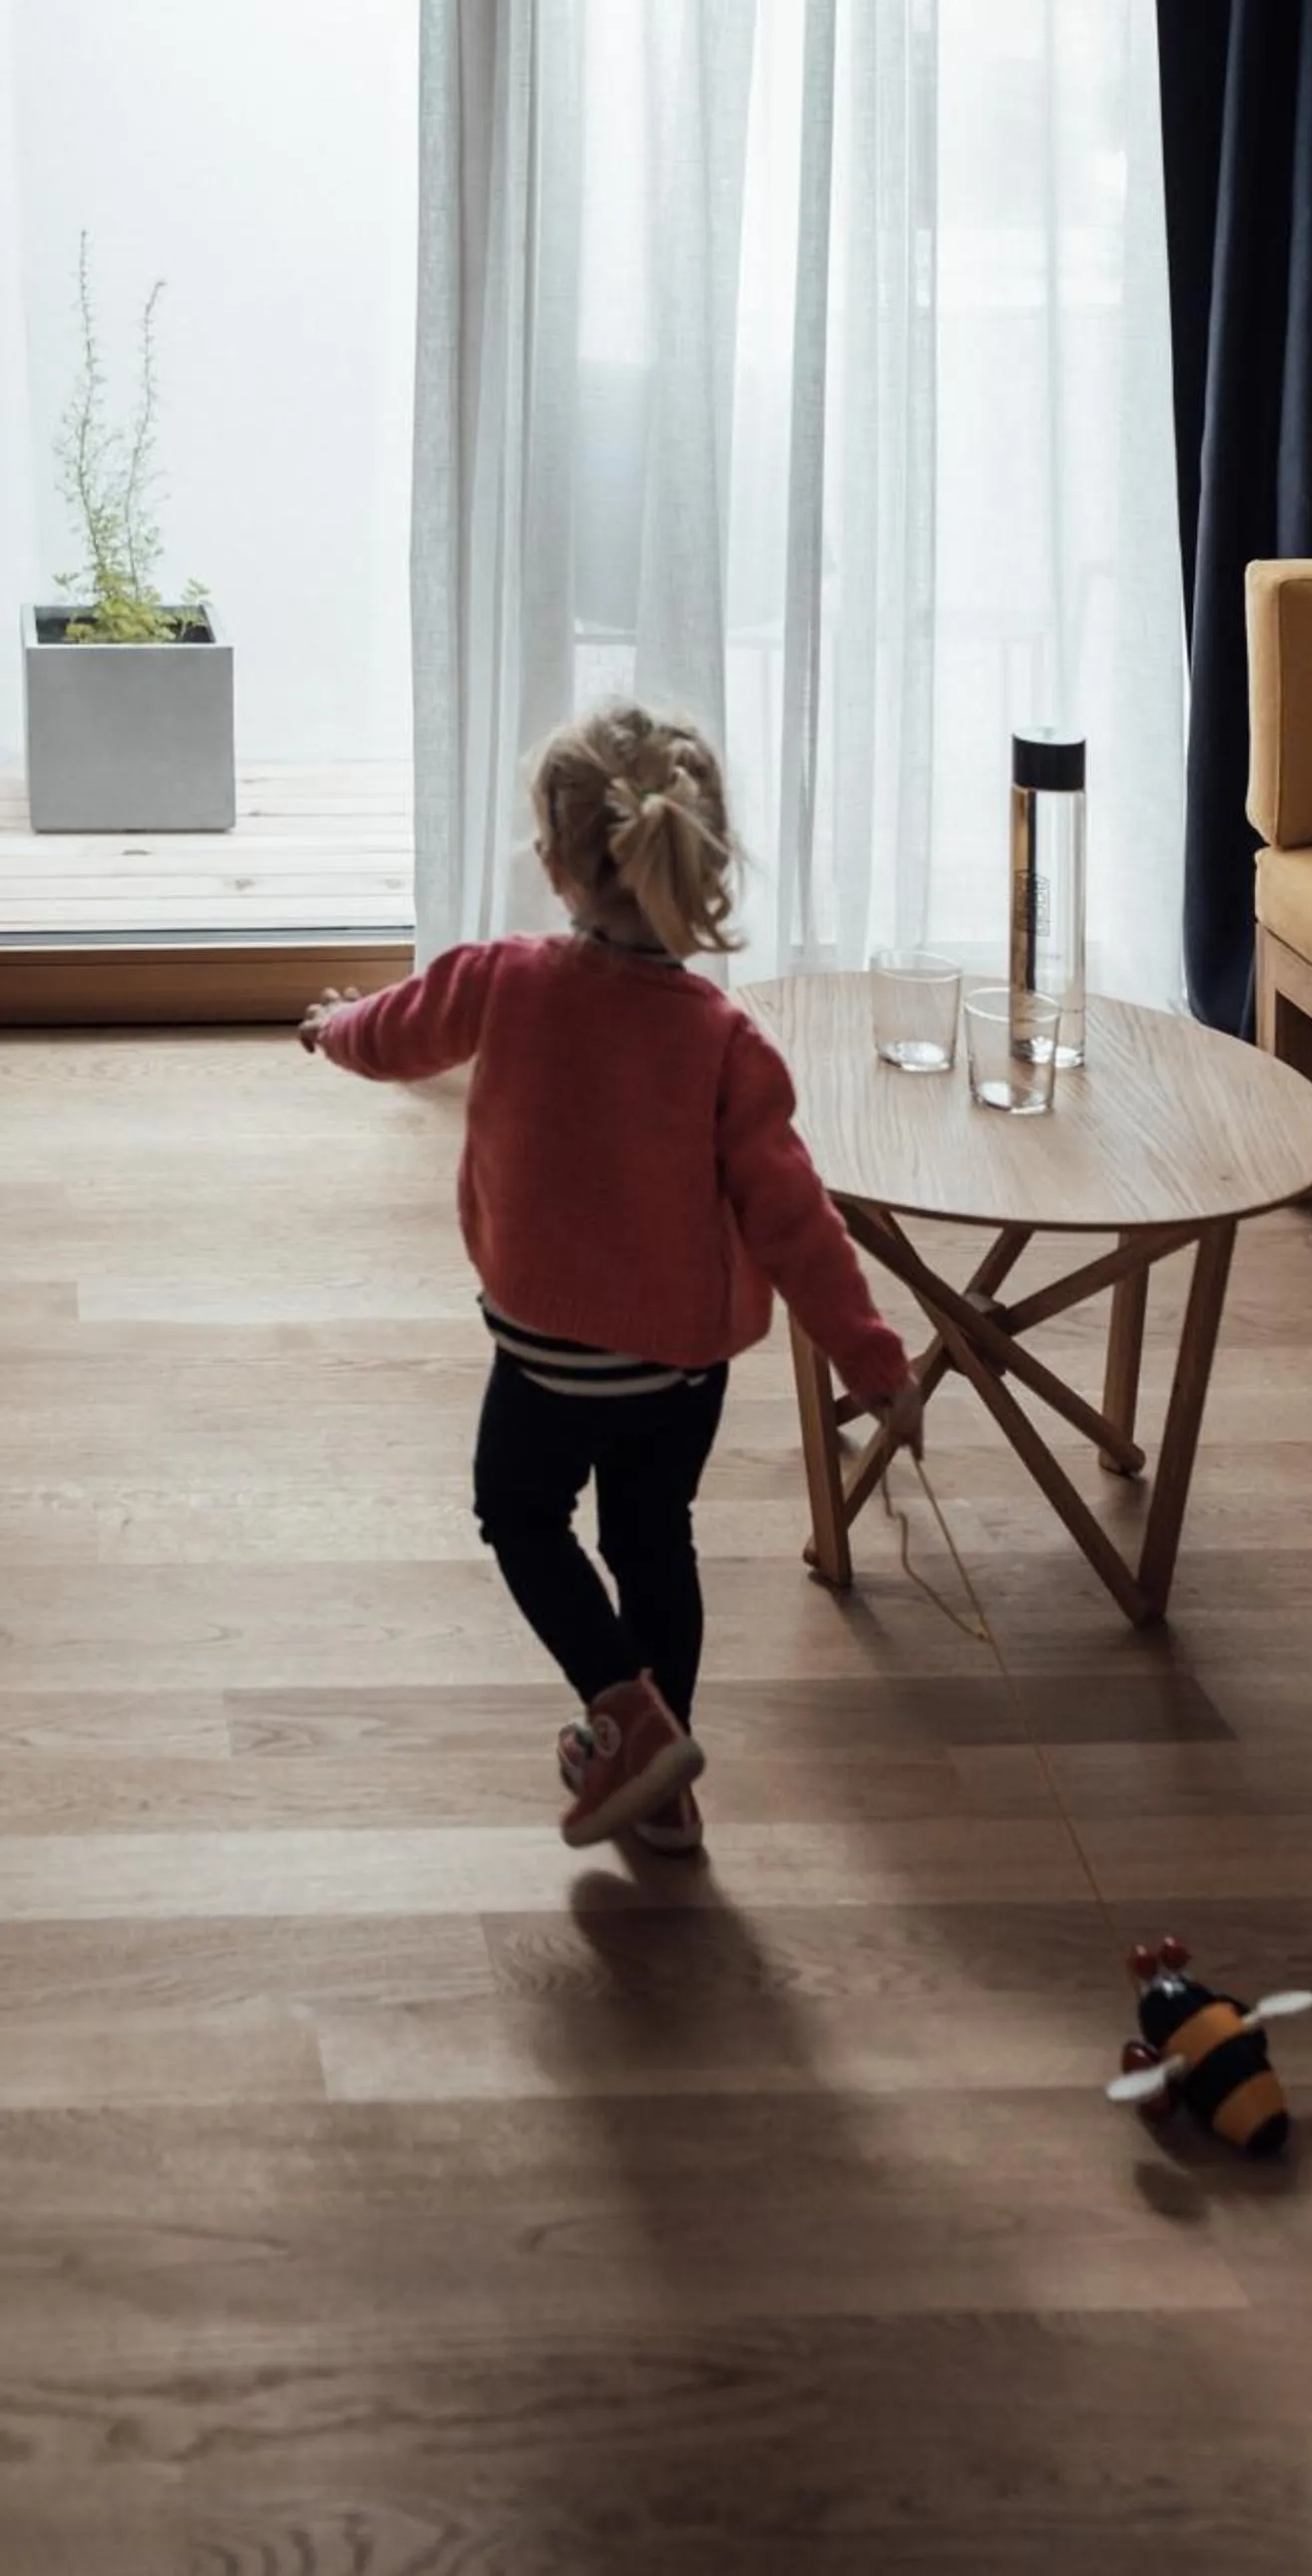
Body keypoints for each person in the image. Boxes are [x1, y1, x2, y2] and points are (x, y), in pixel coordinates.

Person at [300, 703, 916, 1854]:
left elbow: (386, 1035)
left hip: (541, 1349)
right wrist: (874, 1362)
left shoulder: (502, 981)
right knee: (653, 1542)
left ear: (554, 863)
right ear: (697, 862)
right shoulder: (725, 1042)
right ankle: (664, 1788)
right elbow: (796, 1222)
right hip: (676, 1371)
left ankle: (625, 1716)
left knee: (519, 1515)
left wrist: (328, 1026)